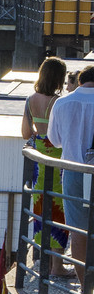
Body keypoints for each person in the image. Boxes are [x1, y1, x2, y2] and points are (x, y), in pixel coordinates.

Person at [48, 63, 94, 276]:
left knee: (78, 232)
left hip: (73, 170)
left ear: (81, 81)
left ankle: (85, 290)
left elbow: (55, 141)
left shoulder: (62, 103)